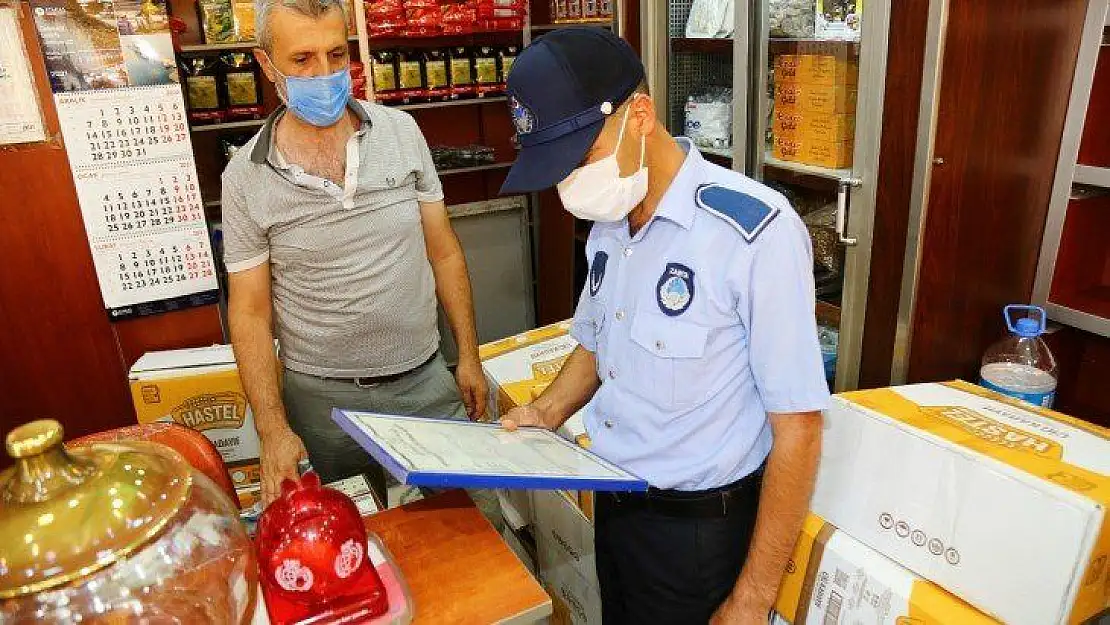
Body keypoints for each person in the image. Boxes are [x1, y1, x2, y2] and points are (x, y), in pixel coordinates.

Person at [500, 28, 829, 625]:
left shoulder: (753, 234)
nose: (568, 182)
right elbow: (597, 344)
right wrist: (545, 414)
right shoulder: (611, 220)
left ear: (640, 116)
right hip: (616, 507)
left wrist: (752, 599)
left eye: (580, 157)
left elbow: (800, 427)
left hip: (699, 535)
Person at [221, 0, 488, 506]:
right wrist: (273, 427)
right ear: (266, 64)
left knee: (475, 522)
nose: (323, 74)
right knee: (351, 543)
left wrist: (468, 357)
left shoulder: (402, 133)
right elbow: (251, 311)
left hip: (425, 381)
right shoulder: (245, 179)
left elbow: (445, 252)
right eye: (302, 60)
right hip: (324, 407)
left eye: (336, 53)